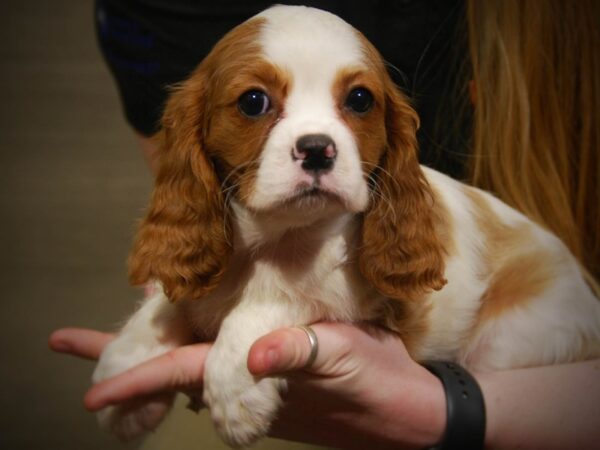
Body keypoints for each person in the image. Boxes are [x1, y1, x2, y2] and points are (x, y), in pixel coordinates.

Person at [51, 0, 600, 448]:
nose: (317, 141)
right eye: (255, 102)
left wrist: (452, 411)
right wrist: (156, 328)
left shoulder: (379, 203)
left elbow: (326, 291)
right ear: (199, 131)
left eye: (357, 101)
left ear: (391, 133)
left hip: (519, 312)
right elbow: (210, 272)